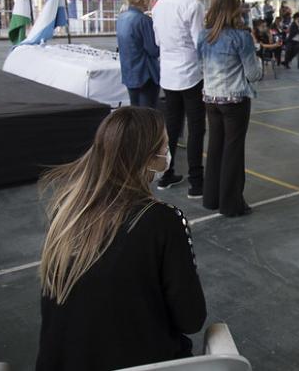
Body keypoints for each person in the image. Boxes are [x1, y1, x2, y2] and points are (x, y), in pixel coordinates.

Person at [36, 107, 206, 370]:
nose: (168, 152)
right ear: (148, 158)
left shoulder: (66, 211)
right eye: (164, 146)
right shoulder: (162, 221)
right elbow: (191, 319)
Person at [197, 0, 262, 217]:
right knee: (233, 151)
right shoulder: (240, 37)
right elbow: (253, 75)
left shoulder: (203, 36)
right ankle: (231, 204)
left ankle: (211, 198)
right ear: (236, 10)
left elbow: (200, 68)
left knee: (215, 148)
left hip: (210, 99)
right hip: (234, 100)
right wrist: (259, 59)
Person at [152, 0, 205, 197]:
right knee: (196, 128)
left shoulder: (160, 5)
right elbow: (199, 43)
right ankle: (196, 182)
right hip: (191, 74)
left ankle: (165, 174)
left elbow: (157, 41)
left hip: (168, 74)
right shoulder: (193, 5)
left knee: (171, 127)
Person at [116, 0, 160, 108]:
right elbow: (154, 50)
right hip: (146, 75)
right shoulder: (144, 20)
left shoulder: (121, 18)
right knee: (147, 116)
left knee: (135, 112)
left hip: (129, 73)